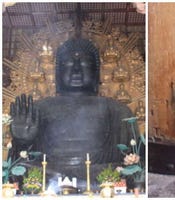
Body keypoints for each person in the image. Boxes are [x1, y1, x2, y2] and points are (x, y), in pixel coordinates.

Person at [10, 38, 136, 189]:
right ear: (57, 73)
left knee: (121, 170)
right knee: (25, 167)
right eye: (68, 65)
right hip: (49, 174)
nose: (76, 70)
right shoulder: (39, 108)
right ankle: (76, 182)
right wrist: (22, 142)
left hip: (99, 175)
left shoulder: (117, 110)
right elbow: (18, 164)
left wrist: (132, 164)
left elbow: (135, 159)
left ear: (96, 72)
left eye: (85, 64)